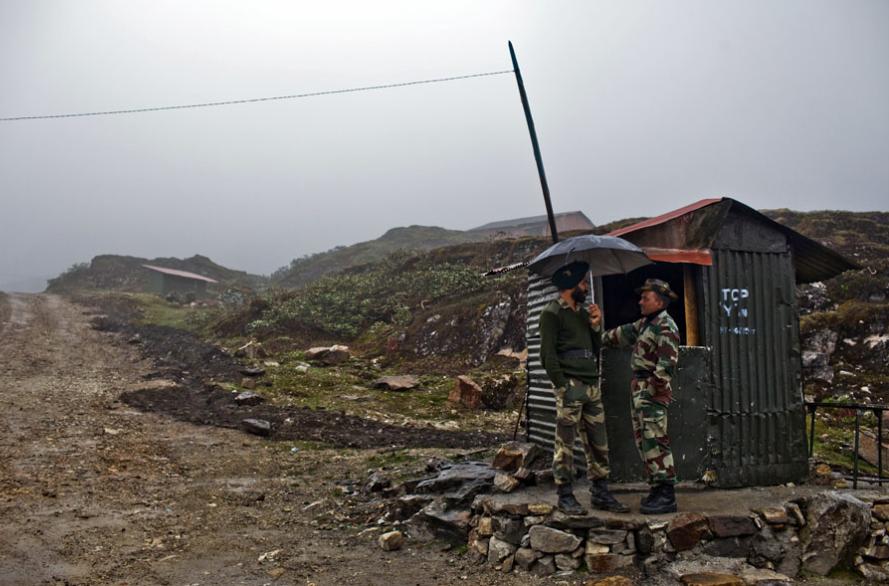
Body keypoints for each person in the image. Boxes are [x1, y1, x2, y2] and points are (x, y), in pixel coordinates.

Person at [539, 260, 629, 515]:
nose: (585, 287)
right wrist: (562, 386)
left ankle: (600, 492)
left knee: (598, 442)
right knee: (565, 443)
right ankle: (565, 495)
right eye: (581, 283)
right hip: (571, 387)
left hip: (591, 386)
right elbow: (547, 355)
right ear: (569, 285)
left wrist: (596, 324)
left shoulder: (582, 313)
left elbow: (595, 346)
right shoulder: (552, 313)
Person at [598, 278, 680, 514]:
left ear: (659, 300)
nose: (640, 301)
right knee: (645, 442)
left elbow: (667, 364)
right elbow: (620, 335)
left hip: (652, 390)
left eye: (646, 297)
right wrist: (596, 335)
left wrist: (653, 392)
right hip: (640, 389)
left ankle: (666, 494)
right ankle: (656, 488)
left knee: (656, 440)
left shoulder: (666, 326)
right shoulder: (645, 323)